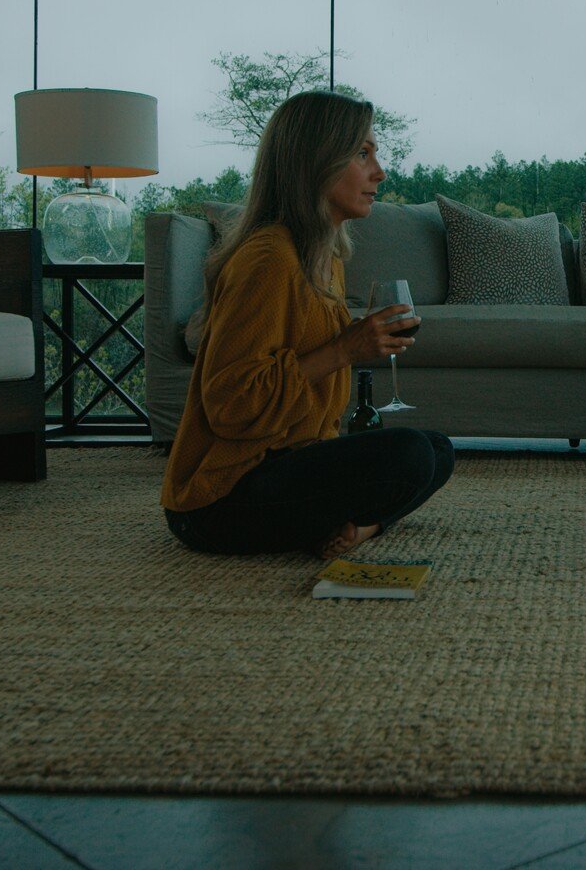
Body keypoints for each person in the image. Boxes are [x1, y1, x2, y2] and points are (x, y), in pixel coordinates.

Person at [162, 90, 453, 559]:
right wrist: (343, 350)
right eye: (362, 153)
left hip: (288, 460)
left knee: (437, 449)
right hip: (219, 500)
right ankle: (359, 522)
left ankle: (361, 527)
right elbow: (229, 405)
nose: (379, 171)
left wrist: (349, 346)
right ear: (316, 162)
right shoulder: (269, 259)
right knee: (409, 455)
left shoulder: (324, 255)